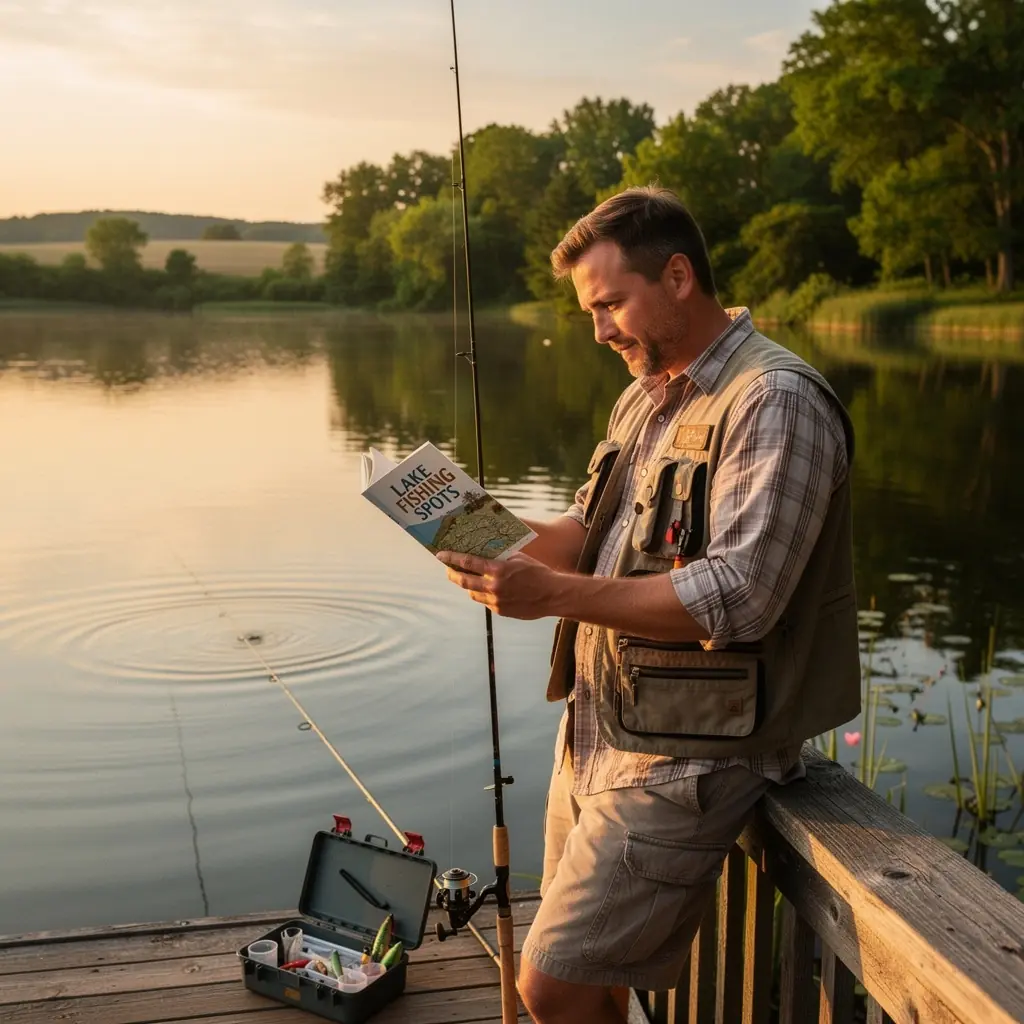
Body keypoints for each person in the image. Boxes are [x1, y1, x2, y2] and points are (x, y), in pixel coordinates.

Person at [436, 185, 861, 1024]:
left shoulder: (774, 398)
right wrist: (477, 529)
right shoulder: (643, 394)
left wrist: (552, 596)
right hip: (601, 733)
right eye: (590, 312)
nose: (598, 330)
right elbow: (584, 534)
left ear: (676, 276)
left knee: (549, 985)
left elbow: (741, 596)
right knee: (577, 982)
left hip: (691, 761)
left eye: (610, 304)